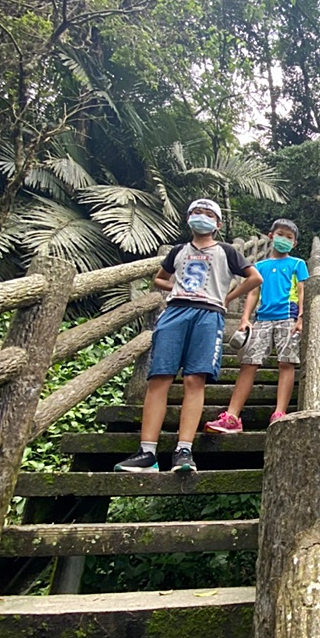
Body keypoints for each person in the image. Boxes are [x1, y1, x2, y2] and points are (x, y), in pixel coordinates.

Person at [114, 199, 262, 473]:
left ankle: (184, 450)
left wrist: (227, 297)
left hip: (209, 315)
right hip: (175, 311)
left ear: (217, 225)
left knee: (195, 379)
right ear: (187, 219)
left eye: (208, 214)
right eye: (196, 212)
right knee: (159, 377)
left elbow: (254, 278)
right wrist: (176, 287)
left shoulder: (227, 251)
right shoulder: (178, 251)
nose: (201, 217)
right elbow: (159, 278)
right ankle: (147, 453)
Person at [204, 218, 308, 433]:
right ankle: (232, 416)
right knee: (248, 363)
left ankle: (279, 413)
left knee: (286, 363)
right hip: (262, 318)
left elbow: (301, 291)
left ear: (295, 243)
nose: (284, 240)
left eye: (289, 237)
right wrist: (244, 318)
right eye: (281, 234)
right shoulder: (259, 266)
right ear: (271, 236)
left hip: (288, 315)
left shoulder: (298, 264)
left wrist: (301, 318)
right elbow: (252, 293)